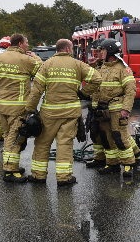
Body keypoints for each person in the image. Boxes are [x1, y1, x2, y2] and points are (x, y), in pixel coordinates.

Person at [23, 39, 102, 186]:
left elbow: (36, 91)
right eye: (71, 48)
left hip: (49, 113)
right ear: (67, 49)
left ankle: (38, 176)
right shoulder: (77, 64)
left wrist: (29, 109)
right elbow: (97, 78)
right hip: (70, 113)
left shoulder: (46, 65)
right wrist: (84, 93)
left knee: (42, 143)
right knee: (65, 144)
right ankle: (64, 178)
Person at [0, 33, 42, 183]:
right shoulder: (26, 60)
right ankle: (9, 171)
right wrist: (35, 56)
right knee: (15, 139)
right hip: (18, 108)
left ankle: (12, 167)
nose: (28, 45)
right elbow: (42, 71)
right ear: (20, 44)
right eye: (26, 43)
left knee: (7, 136)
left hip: (1, 106)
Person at [91, 38, 140, 179]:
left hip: (117, 110)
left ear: (111, 51)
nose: (100, 52)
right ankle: (112, 164)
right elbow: (96, 88)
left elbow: (131, 91)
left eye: (103, 50)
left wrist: (126, 110)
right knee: (107, 138)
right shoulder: (102, 67)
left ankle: (128, 164)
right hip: (103, 110)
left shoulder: (123, 69)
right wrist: (94, 106)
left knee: (120, 137)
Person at [84, 37, 107, 168]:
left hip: (106, 106)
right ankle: (99, 158)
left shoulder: (111, 67)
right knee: (95, 133)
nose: (96, 54)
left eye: (98, 51)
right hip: (95, 105)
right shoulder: (97, 66)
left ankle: (135, 155)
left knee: (110, 135)